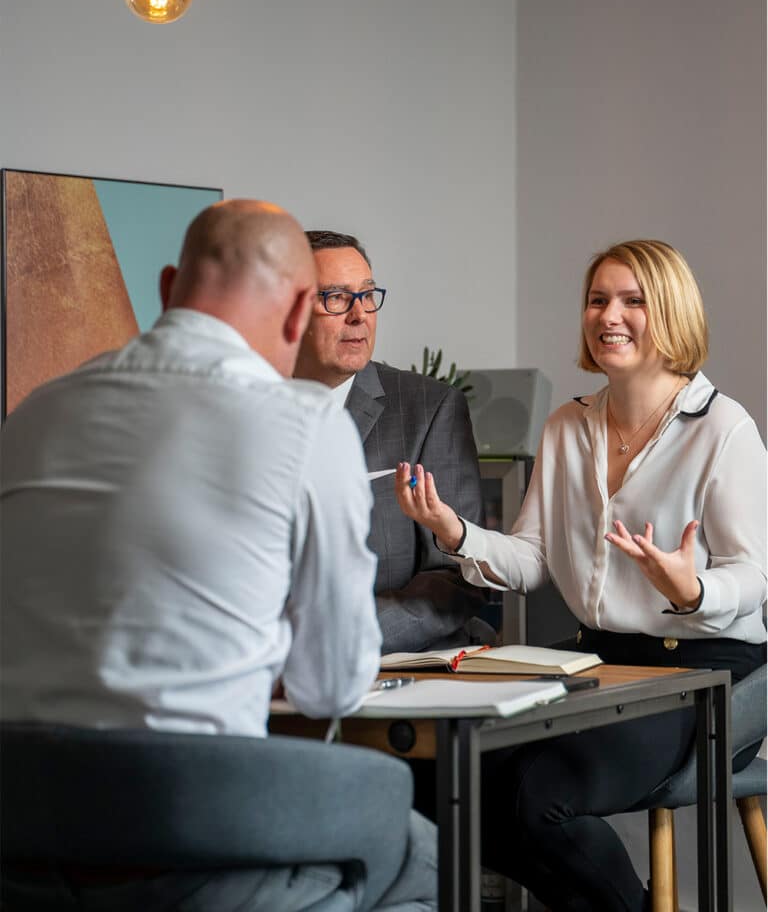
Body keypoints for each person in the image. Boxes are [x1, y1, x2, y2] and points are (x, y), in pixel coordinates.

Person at [0, 199, 437, 912]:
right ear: (301, 313)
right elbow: (332, 687)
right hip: (185, 826)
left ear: (169, 285)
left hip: (22, 830)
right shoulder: (304, 427)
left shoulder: (35, 413)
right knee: (428, 857)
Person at [394, 239, 766, 911]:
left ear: (672, 313)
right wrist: (454, 532)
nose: (608, 316)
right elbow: (532, 558)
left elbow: (755, 573)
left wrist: (693, 589)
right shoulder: (569, 425)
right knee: (442, 775)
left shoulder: (724, 429)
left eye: (632, 301)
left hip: (709, 674)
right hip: (601, 663)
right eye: (598, 300)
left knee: (537, 798)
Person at [294, 229, 492, 653]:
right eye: (335, 298)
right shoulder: (244, 407)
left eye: (367, 295)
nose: (359, 315)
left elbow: (458, 576)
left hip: (392, 665)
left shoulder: (429, 408)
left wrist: (345, 637)